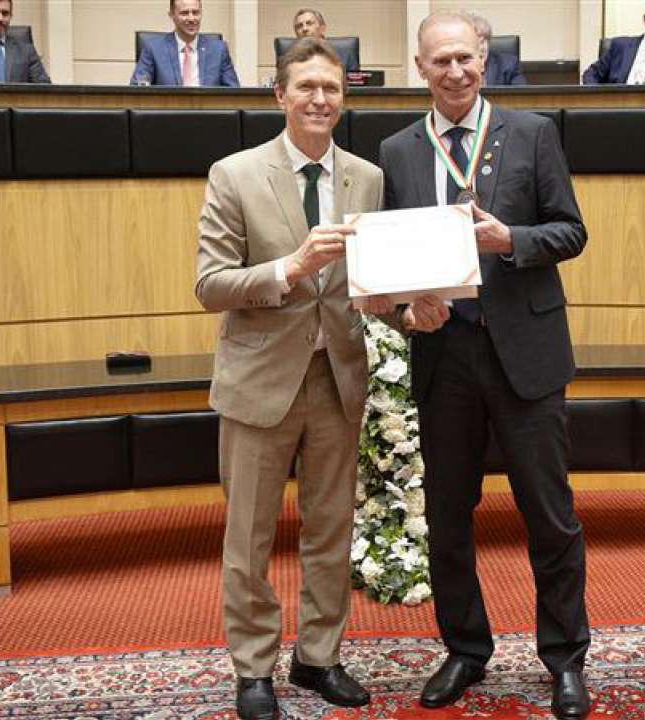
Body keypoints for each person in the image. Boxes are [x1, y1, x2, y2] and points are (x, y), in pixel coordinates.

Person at [377, 10, 591, 719]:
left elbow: (571, 232)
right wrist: (408, 309)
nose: (455, 71)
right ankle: (466, 650)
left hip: (526, 353)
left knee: (550, 517)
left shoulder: (533, 132)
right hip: (445, 357)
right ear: (420, 68)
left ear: (484, 58)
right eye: (440, 60)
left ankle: (565, 659)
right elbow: (389, 265)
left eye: (465, 57)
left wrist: (511, 240)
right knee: (448, 517)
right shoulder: (398, 151)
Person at [195, 37, 382, 720]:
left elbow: (371, 282)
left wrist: (412, 304)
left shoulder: (367, 178)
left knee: (331, 530)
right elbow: (210, 284)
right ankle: (253, 668)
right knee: (249, 538)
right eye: (305, 86)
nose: (318, 99)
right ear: (280, 95)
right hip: (259, 382)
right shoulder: (234, 174)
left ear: (344, 98)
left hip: (337, 378)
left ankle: (318, 657)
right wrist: (290, 267)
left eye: (330, 88)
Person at [132, 0, 239, 86]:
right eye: (184, 13)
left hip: (209, 107)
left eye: (195, 12)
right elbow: (138, 90)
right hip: (168, 106)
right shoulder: (153, 48)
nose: (191, 18)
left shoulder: (219, 50)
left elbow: (234, 93)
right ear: (171, 15)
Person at [292, 7, 359, 72]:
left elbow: (353, 79)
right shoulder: (290, 59)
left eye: (309, 23)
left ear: (322, 28)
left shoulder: (345, 56)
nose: (304, 29)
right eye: (299, 26)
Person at [469, 12, 526, 86]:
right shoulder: (457, 66)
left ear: (488, 41)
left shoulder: (509, 64)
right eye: (473, 42)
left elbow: (520, 91)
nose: (479, 47)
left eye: (482, 41)